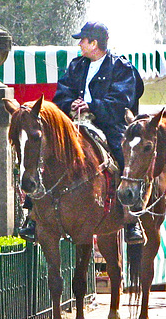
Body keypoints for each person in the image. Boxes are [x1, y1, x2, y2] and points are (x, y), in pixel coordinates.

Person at [18, 21, 146, 244]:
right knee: (43, 152)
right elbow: (61, 95)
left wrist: (91, 105)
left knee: (124, 156)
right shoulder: (76, 65)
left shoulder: (121, 68)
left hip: (108, 123)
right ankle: (32, 214)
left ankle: (131, 218)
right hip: (73, 122)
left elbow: (121, 101)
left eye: (82, 40)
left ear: (94, 43)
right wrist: (72, 104)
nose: (79, 44)